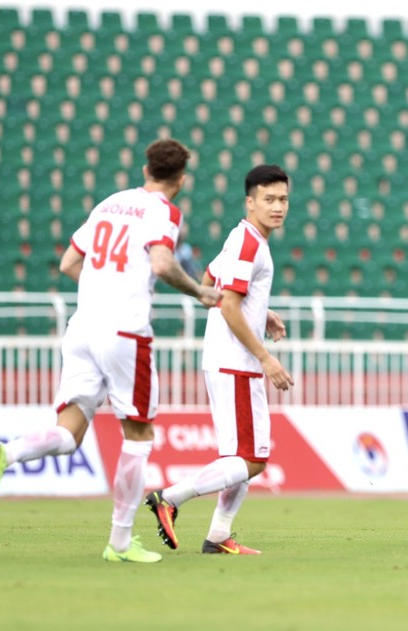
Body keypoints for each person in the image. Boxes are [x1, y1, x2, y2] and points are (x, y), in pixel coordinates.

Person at [0, 139, 220, 563]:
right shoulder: (164, 212)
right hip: (124, 332)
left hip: (81, 328)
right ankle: (120, 542)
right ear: (181, 180)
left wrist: (101, 290)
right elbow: (164, 264)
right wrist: (201, 292)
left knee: (68, 434)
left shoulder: (109, 204)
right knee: (139, 435)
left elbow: (68, 263)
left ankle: (8, 452)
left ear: (146, 169)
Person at [144, 164, 294, 555]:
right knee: (253, 459)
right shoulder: (249, 245)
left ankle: (217, 537)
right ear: (251, 202)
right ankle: (170, 498)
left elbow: (210, 284)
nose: (277, 207)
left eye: (283, 199)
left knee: (242, 457)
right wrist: (266, 358)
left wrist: (261, 312)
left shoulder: (240, 238)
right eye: (269, 199)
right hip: (237, 362)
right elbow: (227, 304)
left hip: (227, 359)